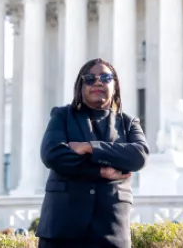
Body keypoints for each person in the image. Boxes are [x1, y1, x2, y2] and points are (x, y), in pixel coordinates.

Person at [36, 58, 150, 248]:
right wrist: (99, 172)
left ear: (115, 86)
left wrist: (91, 147)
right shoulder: (62, 116)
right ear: (80, 87)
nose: (98, 82)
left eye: (106, 77)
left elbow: (139, 156)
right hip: (62, 232)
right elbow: (52, 154)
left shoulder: (128, 123)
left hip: (111, 233)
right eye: (90, 78)